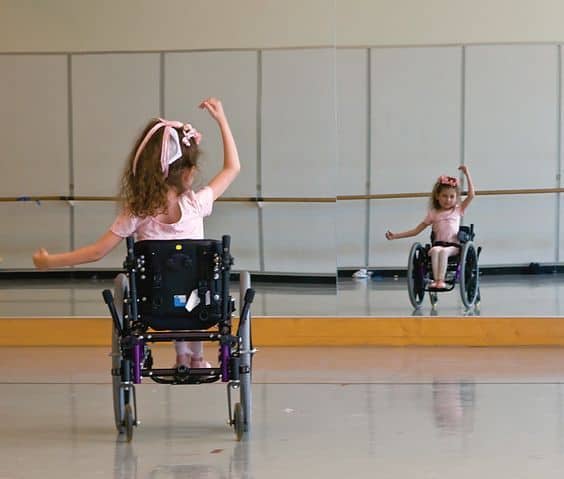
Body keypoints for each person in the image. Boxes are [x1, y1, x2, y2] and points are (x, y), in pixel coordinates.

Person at [33, 97, 240, 368]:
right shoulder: (196, 204)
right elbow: (232, 167)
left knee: (168, 283)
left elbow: (97, 252)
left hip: (154, 304)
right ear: (188, 174)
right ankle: (195, 357)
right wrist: (222, 119)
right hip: (198, 305)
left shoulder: (137, 211)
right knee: (194, 281)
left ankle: (182, 355)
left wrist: (49, 262)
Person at [385, 165, 475, 289]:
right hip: (438, 244)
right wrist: (395, 236)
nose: (448, 200)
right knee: (435, 250)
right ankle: (436, 280)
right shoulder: (433, 213)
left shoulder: (458, 210)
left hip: (453, 247)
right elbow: (416, 231)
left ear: (456, 198)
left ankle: (440, 280)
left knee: (442, 251)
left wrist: (467, 173)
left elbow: (471, 195)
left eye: (451, 197)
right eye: (444, 196)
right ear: (437, 196)